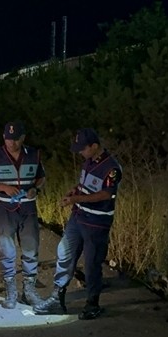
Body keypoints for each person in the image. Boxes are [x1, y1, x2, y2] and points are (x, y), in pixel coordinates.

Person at [34, 128, 123, 320]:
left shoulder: (111, 168)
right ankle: (57, 298)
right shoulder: (88, 162)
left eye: (83, 149)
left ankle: (92, 304)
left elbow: (106, 194)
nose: (80, 153)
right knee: (64, 253)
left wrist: (78, 199)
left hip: (97, 222)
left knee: (92, 264)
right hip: (78, 217)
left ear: (94, 146)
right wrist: (73, 193)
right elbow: (83, 185)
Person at [0, 121, 47, 309]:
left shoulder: (34, 154)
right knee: (6, 251)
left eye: (15, 140)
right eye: (8, 139)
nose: (11, 143)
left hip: (28, 210)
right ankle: (11, 292)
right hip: (5, 210)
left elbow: (41, 178)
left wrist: (35, 188)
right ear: (3, 137)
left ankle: (29, 292)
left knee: (31, 250)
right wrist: (3, 188)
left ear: (23, 138)